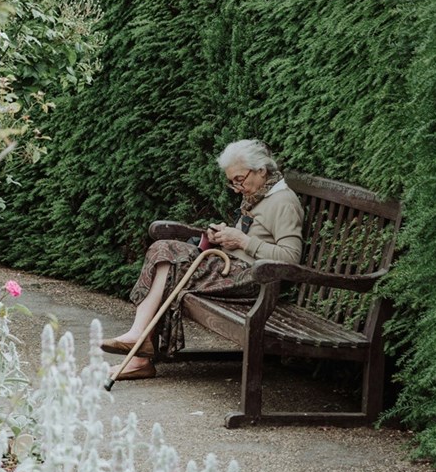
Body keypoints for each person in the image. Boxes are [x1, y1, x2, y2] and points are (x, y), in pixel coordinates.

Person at [102, 138, 304, 380]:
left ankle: (139, 350)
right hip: (232, 270)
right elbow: (251, 238)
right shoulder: (258, 194)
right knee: (164, 254)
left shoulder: (283, 201)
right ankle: (139, 347)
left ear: (261, 170)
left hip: (255, 282)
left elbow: (291, 259)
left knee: (167, 255)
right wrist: (222, 237)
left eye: (239, 180)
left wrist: (242, 241)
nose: (237, 187)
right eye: (232, 183)